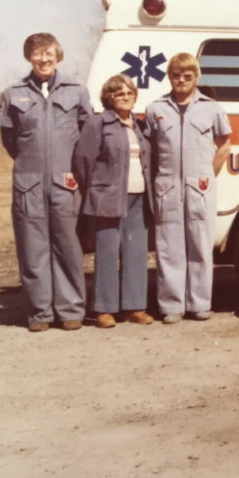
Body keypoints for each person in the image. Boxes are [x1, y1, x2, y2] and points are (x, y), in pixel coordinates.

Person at [0, 33, 93, 332]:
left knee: (67, 246)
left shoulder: (77, 91)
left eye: (49, 53)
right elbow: (10, 140)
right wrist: (32, 165)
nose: (44, 59)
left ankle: (70, 310)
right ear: (29, 57)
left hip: (65, 183)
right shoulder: (13, 94)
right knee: (32, 247)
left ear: (58, 55)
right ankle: (40, 313)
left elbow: (86, 136)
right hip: (29, 183)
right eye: (37, 54)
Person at [145, 53, 232, 324]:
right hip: (167, 188)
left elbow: (224, 145)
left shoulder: (212, 108)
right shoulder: (156, 108)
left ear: (196, 77)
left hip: (201, 188)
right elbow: (151, 150)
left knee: (200, 246)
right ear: (169, 77)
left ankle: (199, 303)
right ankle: (171, 305)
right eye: (176, 75)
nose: (181, 80)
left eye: (188, 76)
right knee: (169, 248)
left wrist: (207, 175)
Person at [72, 74, 154, 327]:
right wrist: (98, 189)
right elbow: (83, 162)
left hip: (139, 199)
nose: (125, 97)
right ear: (109, 97)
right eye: (119, 93)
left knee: (136, 253)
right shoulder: (98, 124)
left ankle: (134, 307)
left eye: (129, 92)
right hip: (107, 199)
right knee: (107, 252)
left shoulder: (139, 125)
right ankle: (104, 310)